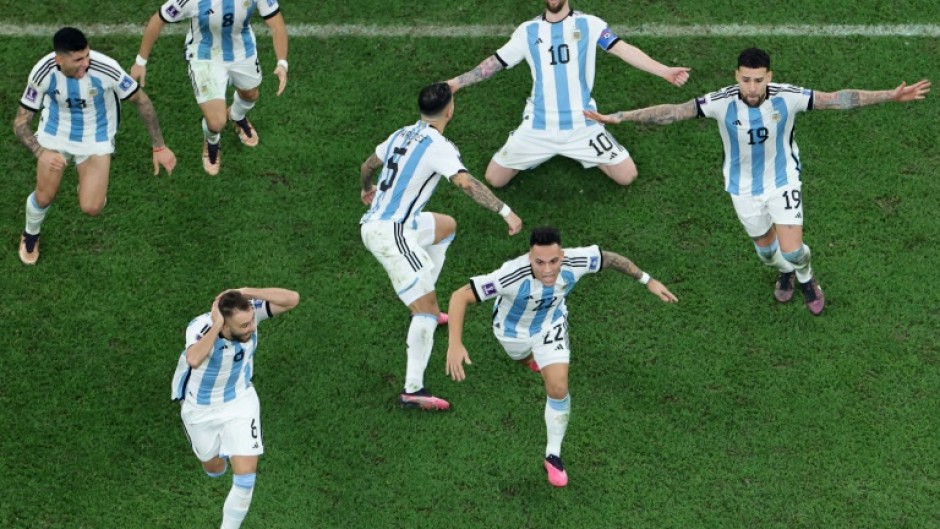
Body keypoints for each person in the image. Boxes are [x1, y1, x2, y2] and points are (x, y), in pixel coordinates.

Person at [585, 47, 931, 315]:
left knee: (794, 250)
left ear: (769, 76)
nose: (752, 87)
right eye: (746, 79)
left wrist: (890, 95)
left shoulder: (788, 96)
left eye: (759, 79)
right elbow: (674, 112)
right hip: (742, 190)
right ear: (737, 76)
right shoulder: (720, 102)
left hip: (783, 182)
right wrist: (619, 117)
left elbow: (836, 99)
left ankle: (807, 278)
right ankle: (785, 272)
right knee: (768, 255)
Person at [445, 227, 678, 487]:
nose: (547, 270)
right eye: (539, 262)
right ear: (529, 257)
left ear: (562, 256)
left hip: (550, 326)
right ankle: (530, 361)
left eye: (554, 261)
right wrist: (455, 344)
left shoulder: (576, 260)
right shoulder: (510, 275)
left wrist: (648, 280)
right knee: (520, 358)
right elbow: (460, 295)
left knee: (558, 386)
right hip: (512, 334)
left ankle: (553, 455)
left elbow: (611, 259)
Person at [360, 82, 524, 411]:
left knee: (446, 227)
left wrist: (367, 190)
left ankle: (425, 294)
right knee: (424, 310)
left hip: (391, 222)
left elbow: (368, 166)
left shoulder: (400, 133)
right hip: (392, 233)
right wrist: (506, 212)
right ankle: (413, 389)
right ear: (449, 110)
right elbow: (465, 182)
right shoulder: (439, 145)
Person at [445, 0, 689, 188]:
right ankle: (537, 151)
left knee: (627, 176)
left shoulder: (590, 24)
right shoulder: (527, 31)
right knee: (495, 179)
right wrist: (456, 83)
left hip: (583, 122)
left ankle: (582, 153)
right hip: (538, 126)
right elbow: (495, 63)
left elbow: (623, 50)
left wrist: (664, 70)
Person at [14, 27, 177, 265]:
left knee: (92, 207)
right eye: (78, 60)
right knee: (44, 196)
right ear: (59, 60)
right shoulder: (42, 72)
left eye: (87, 56)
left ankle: (89, 182)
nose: (86, 64)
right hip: (55, 133)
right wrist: (41, 152)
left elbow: (140, 99)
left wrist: (159, 147)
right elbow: (20, 123)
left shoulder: (105, 68)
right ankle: (30, 233)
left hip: (96, 135)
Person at [171, 287, 300, 529]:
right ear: (226, 324)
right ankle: (221, 454)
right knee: (214, 467)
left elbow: (293, 299)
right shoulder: (200, 327)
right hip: (200, 410)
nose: (251, 328)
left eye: (251, 320)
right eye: (243, 326)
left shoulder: (248, 315)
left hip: (240, 401)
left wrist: (247, 292)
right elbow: (194, 359)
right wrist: (216, 325)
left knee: (245, 477)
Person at [131, 0, 289, 175]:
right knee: (216, 122)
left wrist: (282, 63)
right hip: (204, 56)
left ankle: (237, 115)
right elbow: (158, 19)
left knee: (250, 94)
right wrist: (140, 62)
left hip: (242, 51)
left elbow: (277, 25)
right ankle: (212, 141)